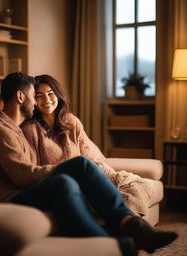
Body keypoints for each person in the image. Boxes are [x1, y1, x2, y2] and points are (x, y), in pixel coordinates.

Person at [0, 72, 177, 256]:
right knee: (78, 166)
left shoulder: (14, 129)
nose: (36, 102)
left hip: (24, 191)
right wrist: (65, 168)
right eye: (34, 95)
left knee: (66, 181)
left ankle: (121, 233)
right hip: (12, 199)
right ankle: (122, 232)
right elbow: (23, 176)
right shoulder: (0, 131)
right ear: (21, 97)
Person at [21, 74, 154, 216]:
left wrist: (108, 175)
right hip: (62, 181)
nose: (46, 100)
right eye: (39, 95)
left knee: (140, 186)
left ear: (58, 95)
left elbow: (88, 154)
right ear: (34, 100)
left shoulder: (71, 121)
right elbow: (34, 170)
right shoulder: (30, 129)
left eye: (50, 93)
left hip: (88, 175)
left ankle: (127, 220)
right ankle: (123, 219)